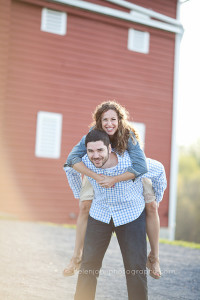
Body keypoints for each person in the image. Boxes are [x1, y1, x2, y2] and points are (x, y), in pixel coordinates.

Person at [64, 129, 167, 300]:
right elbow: (69, 166)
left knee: (135, 268)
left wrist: (157, 197)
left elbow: (158, 169)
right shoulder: (86, 159)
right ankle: (77, 258)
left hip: (130, 214)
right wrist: (80, 191)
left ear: (109, 148)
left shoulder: (130, 157)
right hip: (101, 213)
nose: (95, 155)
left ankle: (154, 257)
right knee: (89, 267)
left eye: (100, 151)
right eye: (91, 151)